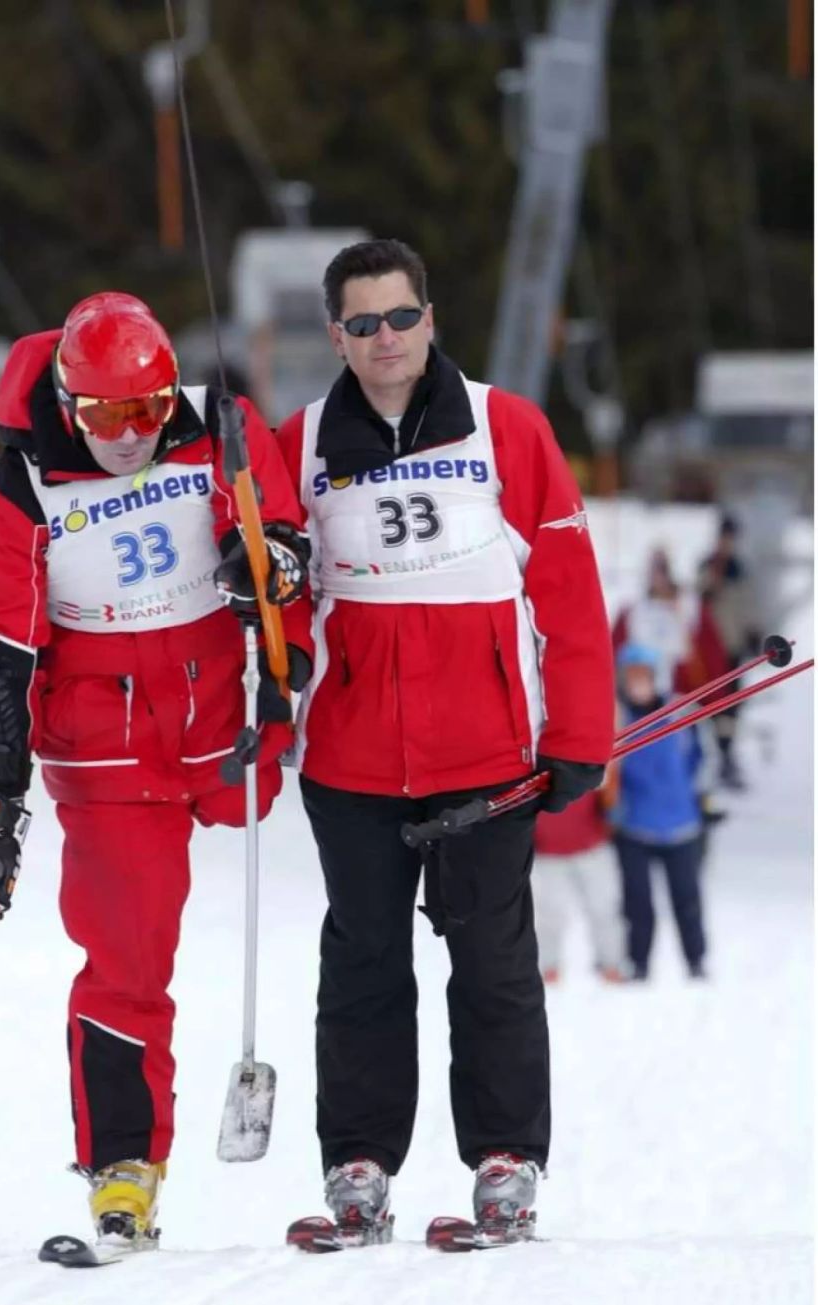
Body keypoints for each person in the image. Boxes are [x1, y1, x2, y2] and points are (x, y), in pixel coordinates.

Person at [0, 292, 312, 1250]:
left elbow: (283, 541)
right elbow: (0, 646)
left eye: (147, 411)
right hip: (107, 746)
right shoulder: (20, 489)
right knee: (125, 960)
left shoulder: (217, 429)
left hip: (221, 721)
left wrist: (268, 565)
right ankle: (123, 1171)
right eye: (107, 415)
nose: (129, 435)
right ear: (69, 403)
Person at [276, 238, 614, 1242]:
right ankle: (360, 1166)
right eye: (365, 323)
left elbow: (568, 593)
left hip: (487, 754)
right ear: (338, 334)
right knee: (364, 963)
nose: (387, 340)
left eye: (403, 317)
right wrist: (282, 636)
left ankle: (506, 1160)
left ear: (431, 317)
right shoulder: (298, 445)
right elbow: (277, 596)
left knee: (495, 963)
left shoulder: (507, 427)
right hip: (353, 758)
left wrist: (580, 736)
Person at [611, 643, 708, 981]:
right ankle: (638, 964)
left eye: (644, 676)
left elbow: (702, 759)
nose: (638, 683)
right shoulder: (616, 719)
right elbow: (608, 776)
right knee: (638, 904)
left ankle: (696, 962)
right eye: (631, 677)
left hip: (681, 824)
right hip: (634, 826)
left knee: (687, 900)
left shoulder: (681, 712)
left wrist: (704, 798)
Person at [533, 767, 626, 985]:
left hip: (591, 847)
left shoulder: (586, 758)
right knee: (549, 914)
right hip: (548, 851)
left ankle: (611, 964)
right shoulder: (532, 760)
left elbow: (610, 794)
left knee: (604, 908)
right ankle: (549, 967)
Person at [697, 513, 762, 789]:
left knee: (733, 704)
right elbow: (699, 597)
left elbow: (748, 604)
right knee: (710, 703)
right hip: (711, 649)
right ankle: (706, 756)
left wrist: (753, 632)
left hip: (733, 647)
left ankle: (726, 755)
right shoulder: (709, 565)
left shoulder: (741, 569)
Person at [613, 546, 728, 698]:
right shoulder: (633, 612)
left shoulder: (691, 608)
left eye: (662, 569)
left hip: (683, 693)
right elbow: (615, 655)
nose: (658, 577)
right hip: (641, 694)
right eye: (654, 570)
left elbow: (711, 655)